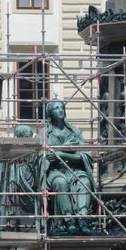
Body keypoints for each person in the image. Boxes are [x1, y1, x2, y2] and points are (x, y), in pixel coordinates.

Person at [41, 98, 98, 235]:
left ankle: (83, 219)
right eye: (56, 108)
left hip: (74, 170)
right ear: (50, 112)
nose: (60, 110)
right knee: (60, 182)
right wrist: (60, 153)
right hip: (55, 171)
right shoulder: (44, 134)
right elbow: (42, 158)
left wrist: (61, 154)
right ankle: (68, 221)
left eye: (62, 107)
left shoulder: (75, 132)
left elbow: (84, 156)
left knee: (84, 181)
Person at [0, 124, 37, 231]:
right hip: (13, 196)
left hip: (25, 197)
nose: (28, 140)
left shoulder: (34, 155)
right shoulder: (7, 157)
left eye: (29, 137)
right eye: (26, 136)